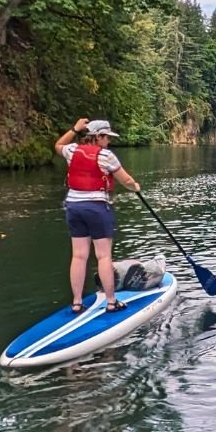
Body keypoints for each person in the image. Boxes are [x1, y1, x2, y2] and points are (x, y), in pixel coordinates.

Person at [54, 117, 141, 314]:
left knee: (78, 255)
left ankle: (76, 303)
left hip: (73, 207)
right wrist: (135, 187)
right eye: (106, 137)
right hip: (96, 208)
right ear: (98, 136)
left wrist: (75, 129)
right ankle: (111, 302)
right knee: (103, 256)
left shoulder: (72, 150)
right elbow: (125, 179)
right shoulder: (106, 156)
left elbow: (58, 145)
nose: (108, 141)